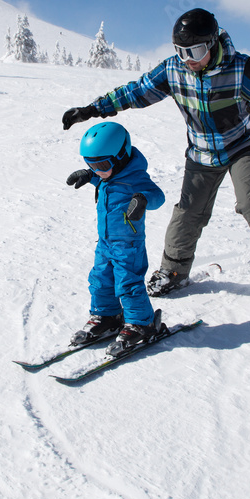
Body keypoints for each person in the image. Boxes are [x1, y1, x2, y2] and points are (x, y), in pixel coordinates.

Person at [62, 8, 250, 310]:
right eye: (180, 51)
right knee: (188, 210)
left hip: (244, 147)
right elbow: (136, 92)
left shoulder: (241, 70)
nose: (187, 58)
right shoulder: (174, 71)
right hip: (202, 153)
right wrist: (91, 109)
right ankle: (175, 270)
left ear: (213, 42)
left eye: (195, 50)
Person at [66, 121, 167, 357]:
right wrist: (90, 175)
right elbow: (104, 178)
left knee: (128, 285)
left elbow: (158, 196)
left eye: (100, 164)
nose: (96, 170)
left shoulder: (135, 179)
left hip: (128, 247)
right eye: (89, 163)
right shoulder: (107, 174)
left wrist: (142, 199)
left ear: (121, 156)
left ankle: (142, 324)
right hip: (105, 243)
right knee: (100, 280)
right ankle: (107, 316)